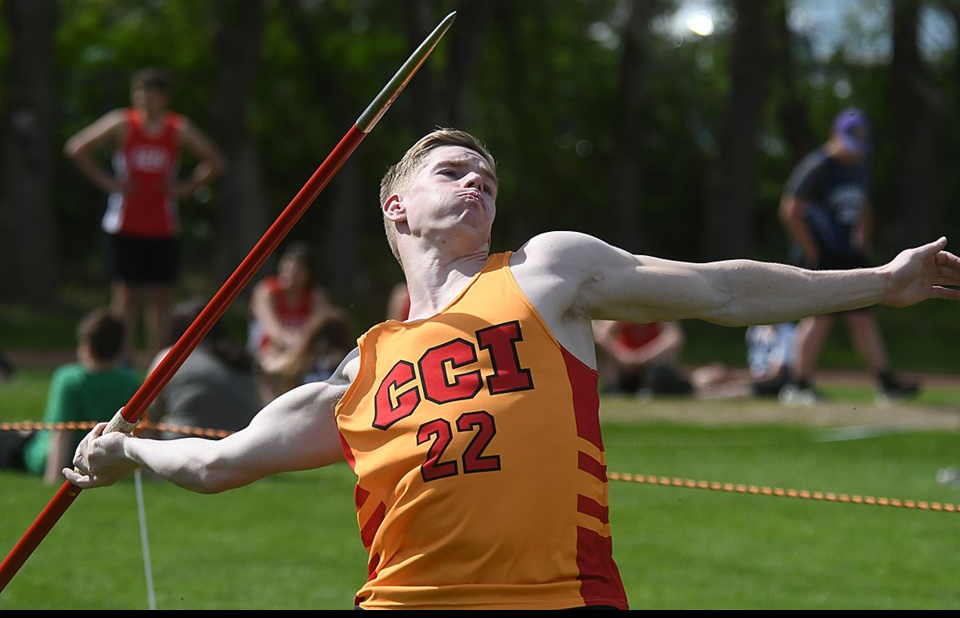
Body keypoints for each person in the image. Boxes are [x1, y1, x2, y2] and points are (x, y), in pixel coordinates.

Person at [65, 128, 960, 610]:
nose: (479, 183)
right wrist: (128, 452)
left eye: (488, 177)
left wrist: (879, 283)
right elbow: (221, 464)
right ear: (397, 207)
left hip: (556, 601)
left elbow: (719, 292)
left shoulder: (546, 271)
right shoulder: (359, 369)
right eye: (454, 171)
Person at [64, 66, 227, 366]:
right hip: (125, 221)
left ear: (163, 97)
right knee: (125, 294)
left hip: (162, 223)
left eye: (150, 92)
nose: (143, 98)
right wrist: (109, 183)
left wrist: (185, 187)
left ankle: (156, 362)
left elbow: (215, 161)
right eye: (139, 91)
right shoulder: (122, 123)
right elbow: (77, 148)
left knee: (160, 297)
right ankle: (118, 356)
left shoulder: (177, 128)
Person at [777, 108, 920, 407]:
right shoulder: (818, 166)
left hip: (848, 254)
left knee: (863, 318)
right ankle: (798, 384)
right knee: (819, 318)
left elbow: (864, 209)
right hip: (822, 253)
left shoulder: (858, 169)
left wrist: (861, 243)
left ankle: (885, 382)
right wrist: (811, 249)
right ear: (835, 136)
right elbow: (791, 209)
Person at [0, 308, 141, 485]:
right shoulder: (131, 381)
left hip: (54, 458)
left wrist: (52, 478)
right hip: (106, 459)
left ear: (87, 346)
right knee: (28, 431)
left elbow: (61, 432)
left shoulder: (70, 379)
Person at [145, 297, 262, 440]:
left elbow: (149, 416)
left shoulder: (168, 358)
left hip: (185, 444)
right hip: (238, 444)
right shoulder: (239, 359)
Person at [247, 241, 337, 400]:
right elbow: (274, 330)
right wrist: (298, 347)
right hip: (268, 353)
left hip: (301, 357)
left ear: (308, 273)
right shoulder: (267, 292)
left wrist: (300, 351)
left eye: (297, 269)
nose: (289, 273)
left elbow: (320, 330)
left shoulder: (315, 296)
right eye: (286, 267)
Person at [592, 320, 693, 397]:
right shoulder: (623, 310)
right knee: (609, 362)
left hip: (651, 366)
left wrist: (643, 356)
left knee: (663, 361)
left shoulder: (659, 311)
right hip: (625, 369)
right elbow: (601, 336)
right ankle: (613, 389)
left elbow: (674, 338)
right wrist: (622, 356)